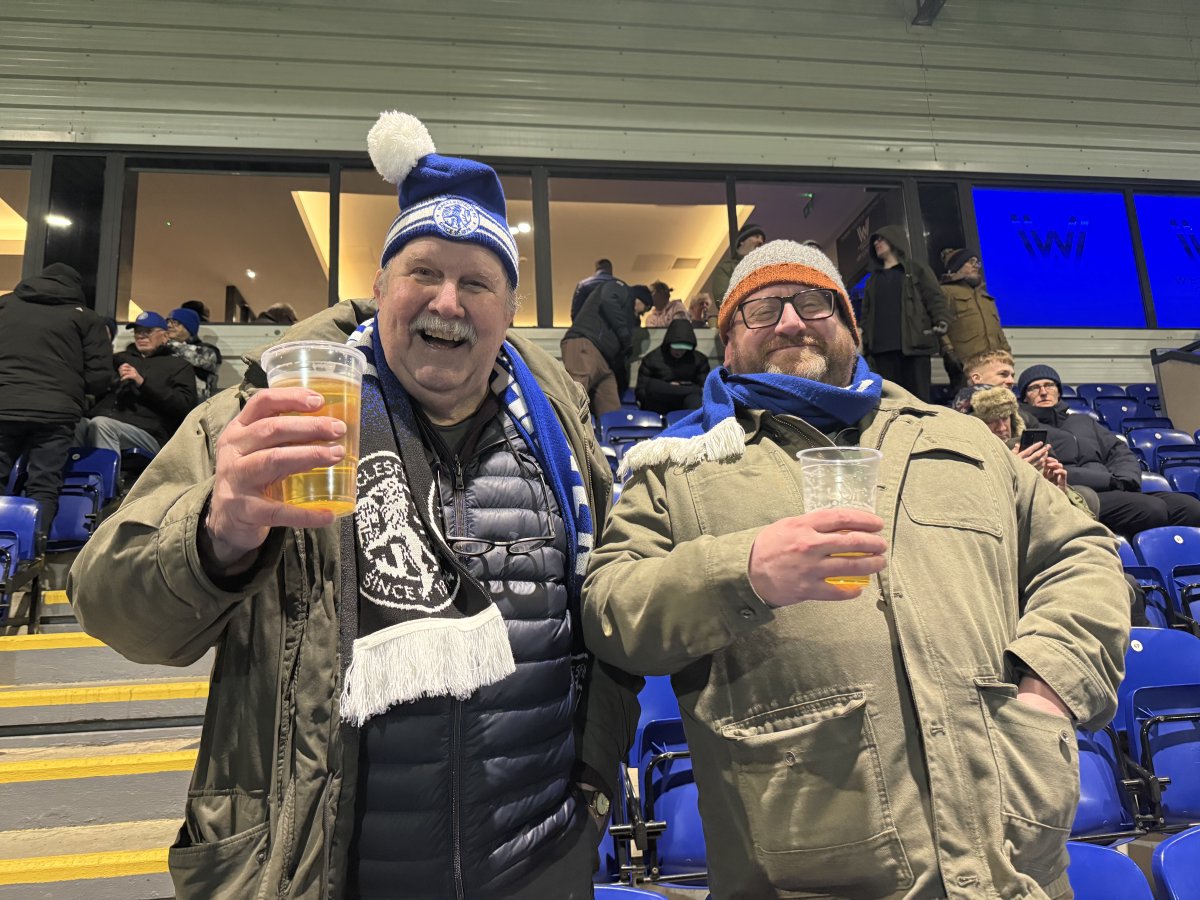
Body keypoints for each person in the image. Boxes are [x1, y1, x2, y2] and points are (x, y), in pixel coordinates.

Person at [70, 111, 637, 900]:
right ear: (379, 291)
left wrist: (591, 790)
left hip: (539, 860)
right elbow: (109, 605)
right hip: (325, 870)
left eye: (478, 282)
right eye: (423, 273)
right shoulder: (274, 413)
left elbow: (613, 611)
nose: (448, 300)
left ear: (508, 314)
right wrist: (216, 533)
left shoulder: (561, 432)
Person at [583, 239, 1129, 899]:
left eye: (813, 302)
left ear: (851, 326)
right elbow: (611, 611)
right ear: (727, 342)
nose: (789, 321)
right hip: (800, 874)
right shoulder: (674, 468)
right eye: (761, 311)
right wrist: (745, 570)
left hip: (1013, 863)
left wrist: (1048, 691)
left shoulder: (958, 438)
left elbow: (1082, 551)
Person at [1018, 364, 1200, 538]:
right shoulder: (1027, 428)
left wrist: (1126, 479)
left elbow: (1120, 452)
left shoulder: (1083, 421)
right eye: (1034, 388)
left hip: (1115, 489)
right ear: (1025, 397)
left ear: (1058, 390)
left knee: (1190, 508)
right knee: (1151, 509)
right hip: (1079, 494)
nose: (1043, 392)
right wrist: (1110, 480)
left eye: (1049, 385)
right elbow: (1050, 470)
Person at [0, 264, 112, 540]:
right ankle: (27, 554)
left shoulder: (4, 306)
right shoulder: (86, 318)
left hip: (4, 405)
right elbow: (99, 378)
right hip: (55, 413)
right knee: (44, 483)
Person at [77, 310, 196, 455]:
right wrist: (112, 380)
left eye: (148, 331)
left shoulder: (179, 366)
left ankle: (101, 478)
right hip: (102, 418)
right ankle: (64, 477)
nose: (141, 335)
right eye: (138, 331)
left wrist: (143, 384)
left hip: (149, 432)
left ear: (165, 336)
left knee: (101, 425)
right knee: (75, 425)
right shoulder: (117, 359)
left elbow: (184, 407)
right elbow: (95, 385)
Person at [860, 226, 952, 402]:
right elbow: (866, 314)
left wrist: (941, 320)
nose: (876, 243)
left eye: (881, 239)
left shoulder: (916, 270)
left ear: (894, 240)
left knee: (919, 399)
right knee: (889, 401)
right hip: (881, 351)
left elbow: (934, 298)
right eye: (874, 241)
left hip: (914, 345)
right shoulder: (873, 280)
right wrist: (865, 341)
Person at [560, 276, 636, 417]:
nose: (641, 315)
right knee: (573, 401)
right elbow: (608, 297)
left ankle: (613, 437)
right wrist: (624, 335)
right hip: (587, 344)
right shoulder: (621, 287)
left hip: (604, 357)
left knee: (612, 412)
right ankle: (557, 438)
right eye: (645, 309)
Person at [938, 249, 1009, 389]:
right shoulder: (945, 292)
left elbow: (999, 332)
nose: (976, 266)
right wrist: (949, 352)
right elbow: (939, 325)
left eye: (977, 262)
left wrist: (1008, 358)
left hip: (996, 366)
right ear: (957, 266)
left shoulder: (986, 298)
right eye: (970, 262)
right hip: (966, 366)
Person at [635, 318, 709, 415]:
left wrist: (676, 387)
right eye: (676, 348)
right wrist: (687, 388)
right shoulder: (652, 359)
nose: (680, 352)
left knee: (695, 399)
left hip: (685, 402)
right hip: (658, 402)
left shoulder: (699, 360)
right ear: (669, 344)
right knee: (652, 386)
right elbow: (642, 391)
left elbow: (704, 389)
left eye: (683, 349)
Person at [167, 306, 222, 401]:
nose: (169, 325)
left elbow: (203, 358)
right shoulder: (164, 348)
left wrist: (166, 343)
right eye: (168, 321)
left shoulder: (208, 350)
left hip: (197, 408)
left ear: (189, 326)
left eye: (175, 322)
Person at [708, 222, 766, 304]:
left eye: (762, 240)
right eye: (756, 237)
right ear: (742, 241)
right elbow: (722, 300)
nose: (760, 241)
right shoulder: (726, 268)